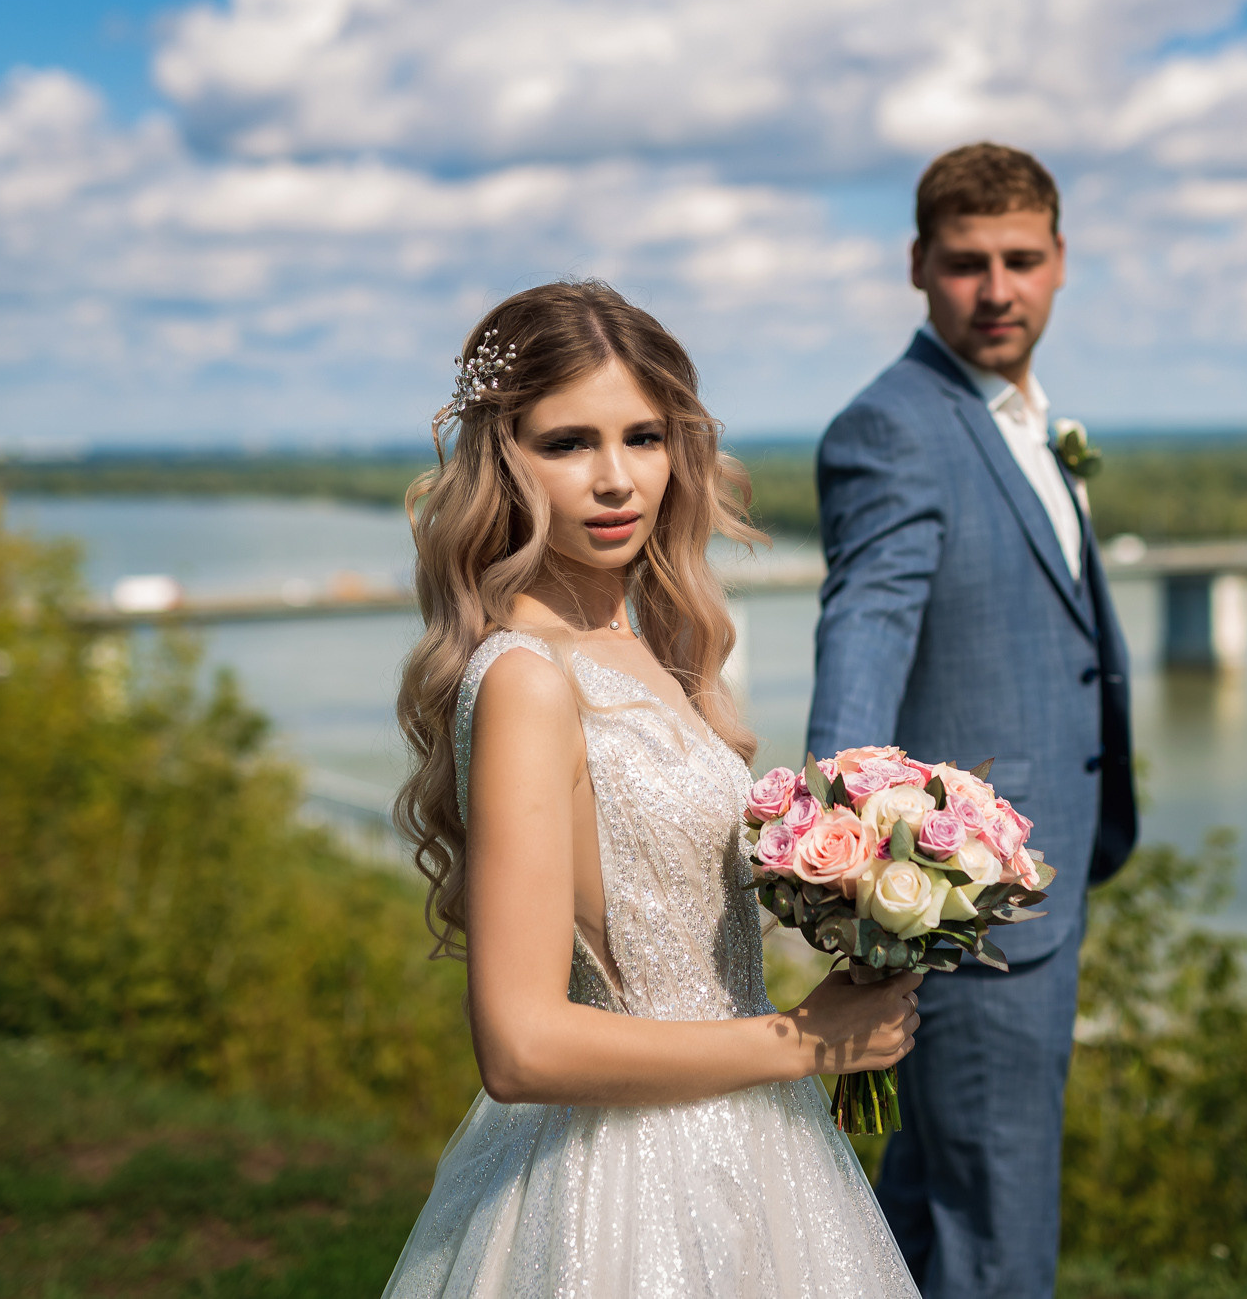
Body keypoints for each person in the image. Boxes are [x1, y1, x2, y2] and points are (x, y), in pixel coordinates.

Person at [384, 280, 920, 1298]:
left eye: (643, 436)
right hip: (625, 1191)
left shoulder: (648, 647)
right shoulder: (527, 680)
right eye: (567, 443)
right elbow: (520, 1046)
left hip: (756, 1151)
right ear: (505, 458)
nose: (615, 478)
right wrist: (804, 1040)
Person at [806, 143, 1138, 1297]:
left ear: (1059, 261)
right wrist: (848, 858)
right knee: (995, 1228)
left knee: (925, 1206)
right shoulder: (891, 427)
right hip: (969, 909)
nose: (995, 290)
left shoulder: (1021, 419)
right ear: (916, 265)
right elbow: (867, 626)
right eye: (964, 263)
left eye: (1019, 259)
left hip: (1041, 884)